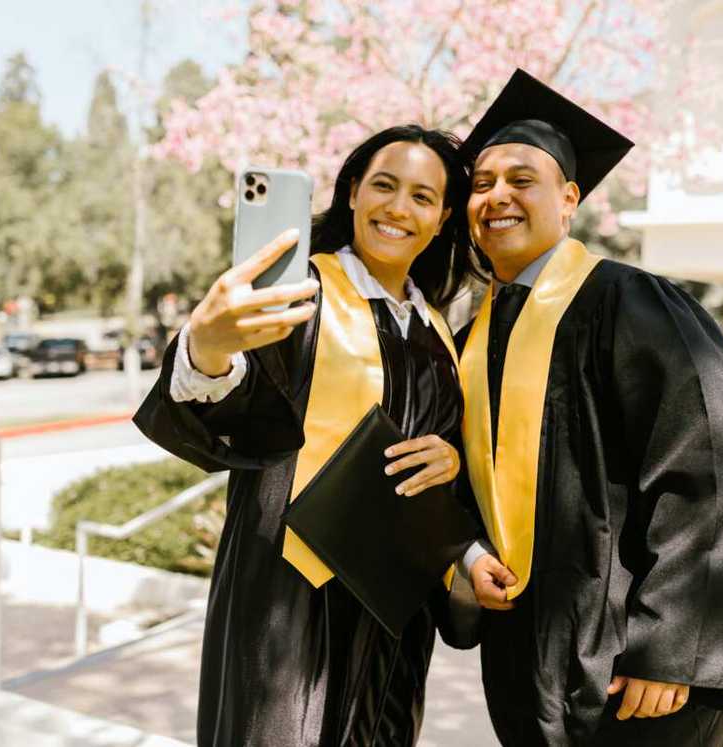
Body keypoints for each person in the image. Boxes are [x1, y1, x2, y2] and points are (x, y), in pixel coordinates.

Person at [454, 69, 723, 746]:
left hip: (637, 667)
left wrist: (673, 641)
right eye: (481, 183)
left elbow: (709, 467)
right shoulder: (476, 334)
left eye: (521, 179)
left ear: (569, 200)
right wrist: (464, 557)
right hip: (528, 659)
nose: (496, 195)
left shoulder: (631, 302)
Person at [133, 124, 481, 747]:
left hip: (393, 615)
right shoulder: (299, 294)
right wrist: (207, 349)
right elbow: (232, 408)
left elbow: (444, 461)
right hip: (287, 599)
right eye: (384, 185)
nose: (399, 207)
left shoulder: (436, 330)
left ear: (442, 218)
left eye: (423, 198)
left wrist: (451, 461)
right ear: (352, 192)